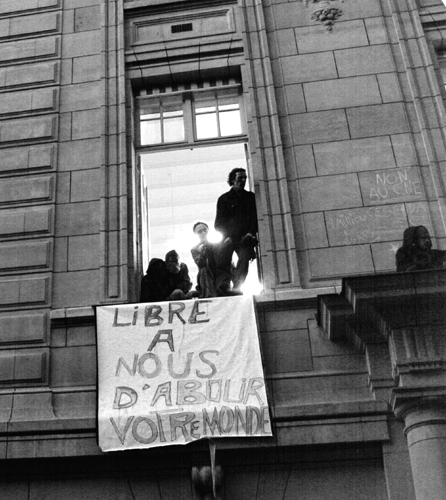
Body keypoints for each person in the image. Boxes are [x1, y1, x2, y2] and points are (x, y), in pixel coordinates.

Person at [214, 168, 258, 293]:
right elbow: (218, 223)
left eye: (245, 178)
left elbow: (255, 218)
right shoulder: (224, 199)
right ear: (233, 180)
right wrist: (226, 236)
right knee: (222, 261)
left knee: (244, 259)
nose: (243, 180)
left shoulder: (250, 197)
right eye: (240, 178)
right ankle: (223, 286)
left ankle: (237, 286)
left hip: (245, 238)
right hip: (229, 238)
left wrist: (250, 233)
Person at [190, 221, 231, 298]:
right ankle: (209, 295)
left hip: (219, 275)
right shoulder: (195, 249)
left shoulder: (218, 245)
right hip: (205, 277)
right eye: (200, 232)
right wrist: (202, 252)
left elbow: (224, 263)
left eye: (205, 230)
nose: (203, 233)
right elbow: (200, 264)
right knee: (204, 270)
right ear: (196, 235)